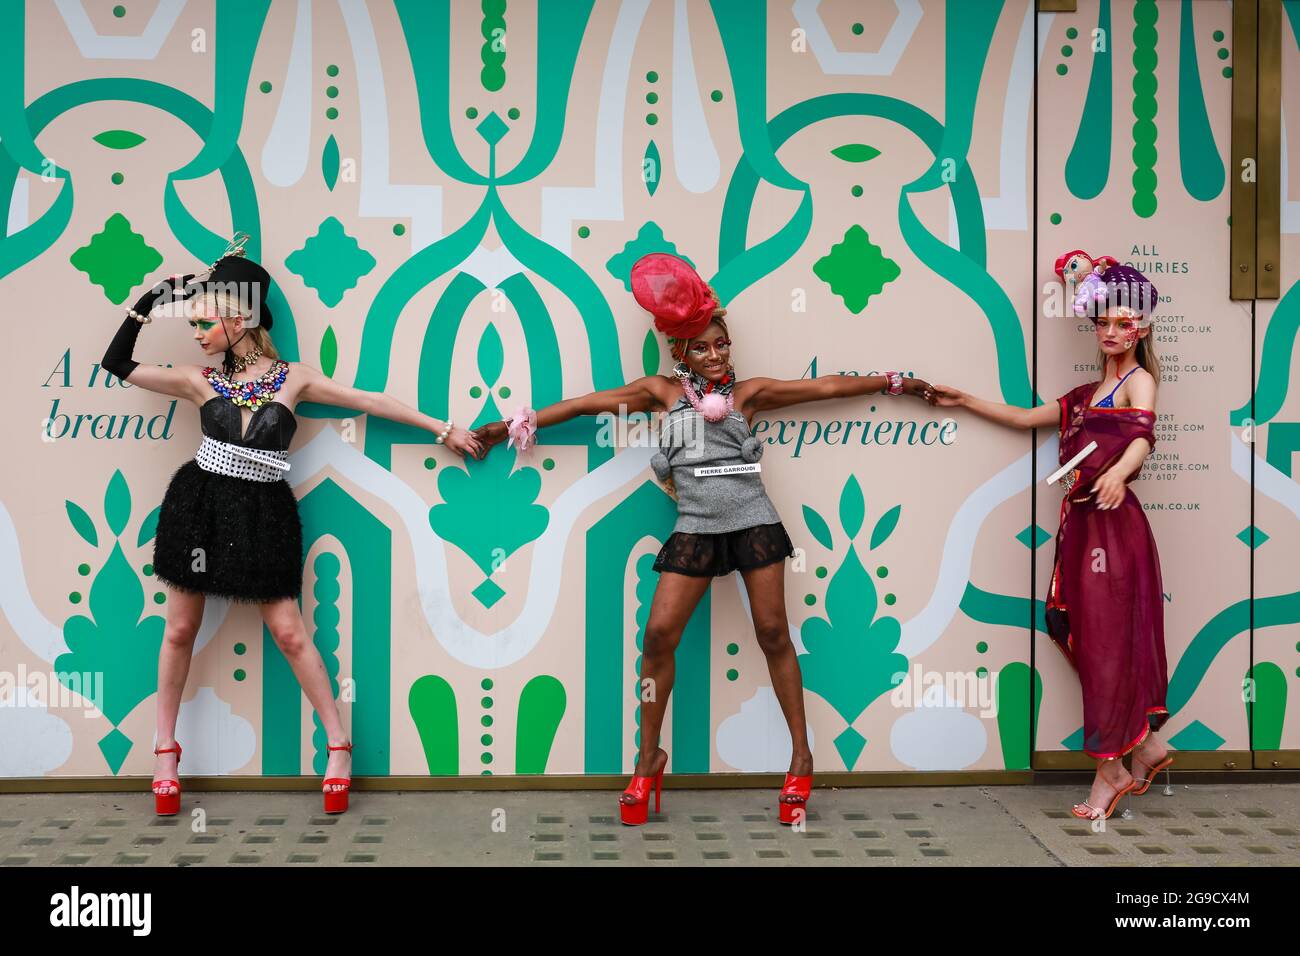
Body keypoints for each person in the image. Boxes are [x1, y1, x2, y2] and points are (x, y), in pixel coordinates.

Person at [473, 253, 934, 824]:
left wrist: (894, 382)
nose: (716, 356)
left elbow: (824, 387)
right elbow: (586, 404)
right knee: (659, 634)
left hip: (753, 524)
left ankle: (801, 757)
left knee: (773, 633)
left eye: (722, 345)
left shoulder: (748, 395)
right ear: (680, 352)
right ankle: (648, 758)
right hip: (695, 527)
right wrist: (513, 425)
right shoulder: (661, 394)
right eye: (703, 348)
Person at [100, 237, 484, 815]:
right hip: (200, 504)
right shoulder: (198, 379)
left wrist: (443, 428)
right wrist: (152, 298)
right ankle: (164, 750)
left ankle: (338, 746)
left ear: (241, 316)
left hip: (264, 512)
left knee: (289, 632)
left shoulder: (294, 379)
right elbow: (118, 364)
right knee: (179, 631)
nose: (198, 334)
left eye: (205, 322)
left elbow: (370, 401)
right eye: (194, 323)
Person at [930, 263, 1173, 821]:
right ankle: (1147, 745)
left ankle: (1110, 771)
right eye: (1102, 323)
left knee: (1108, 644)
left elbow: (1141, 437)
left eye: (1121, 323)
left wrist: (1118, 474)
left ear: (1139, 329)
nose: (1109, 332)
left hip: (1114, 528)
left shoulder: (1139, 381)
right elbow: (1022, 417)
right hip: (1083, 526)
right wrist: (964, 399)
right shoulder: (1088, 393)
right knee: (1092, 640)